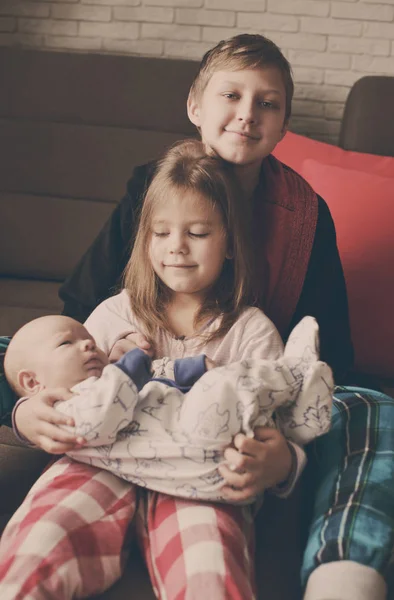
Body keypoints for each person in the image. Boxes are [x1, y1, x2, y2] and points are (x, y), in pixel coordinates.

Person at [5, 33, 391, 600]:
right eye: (230, 96)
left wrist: (281, 452)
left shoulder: (306, 215)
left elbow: (329, 362)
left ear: (284, 123)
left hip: (238, 391)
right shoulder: (152, 187)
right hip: (123, 382)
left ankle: (345, 578)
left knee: (367, 406)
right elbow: (78, 321)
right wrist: (31, 406)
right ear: (195, 107)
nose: (245, 116)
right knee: (26, 345)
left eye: (267, 103)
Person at [3, 309, 332, 503]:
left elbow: (161, 369)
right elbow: (101, 414)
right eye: (67, 343)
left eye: (87, 336)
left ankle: (297, 418)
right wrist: (129, 366)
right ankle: (295, 375)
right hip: (195, 450)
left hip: (206, 439)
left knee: (235, 396)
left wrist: (195, 366)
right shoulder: (67, 409)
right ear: (34, 384)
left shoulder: (108, 377)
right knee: (225, 385)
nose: (89, 342)